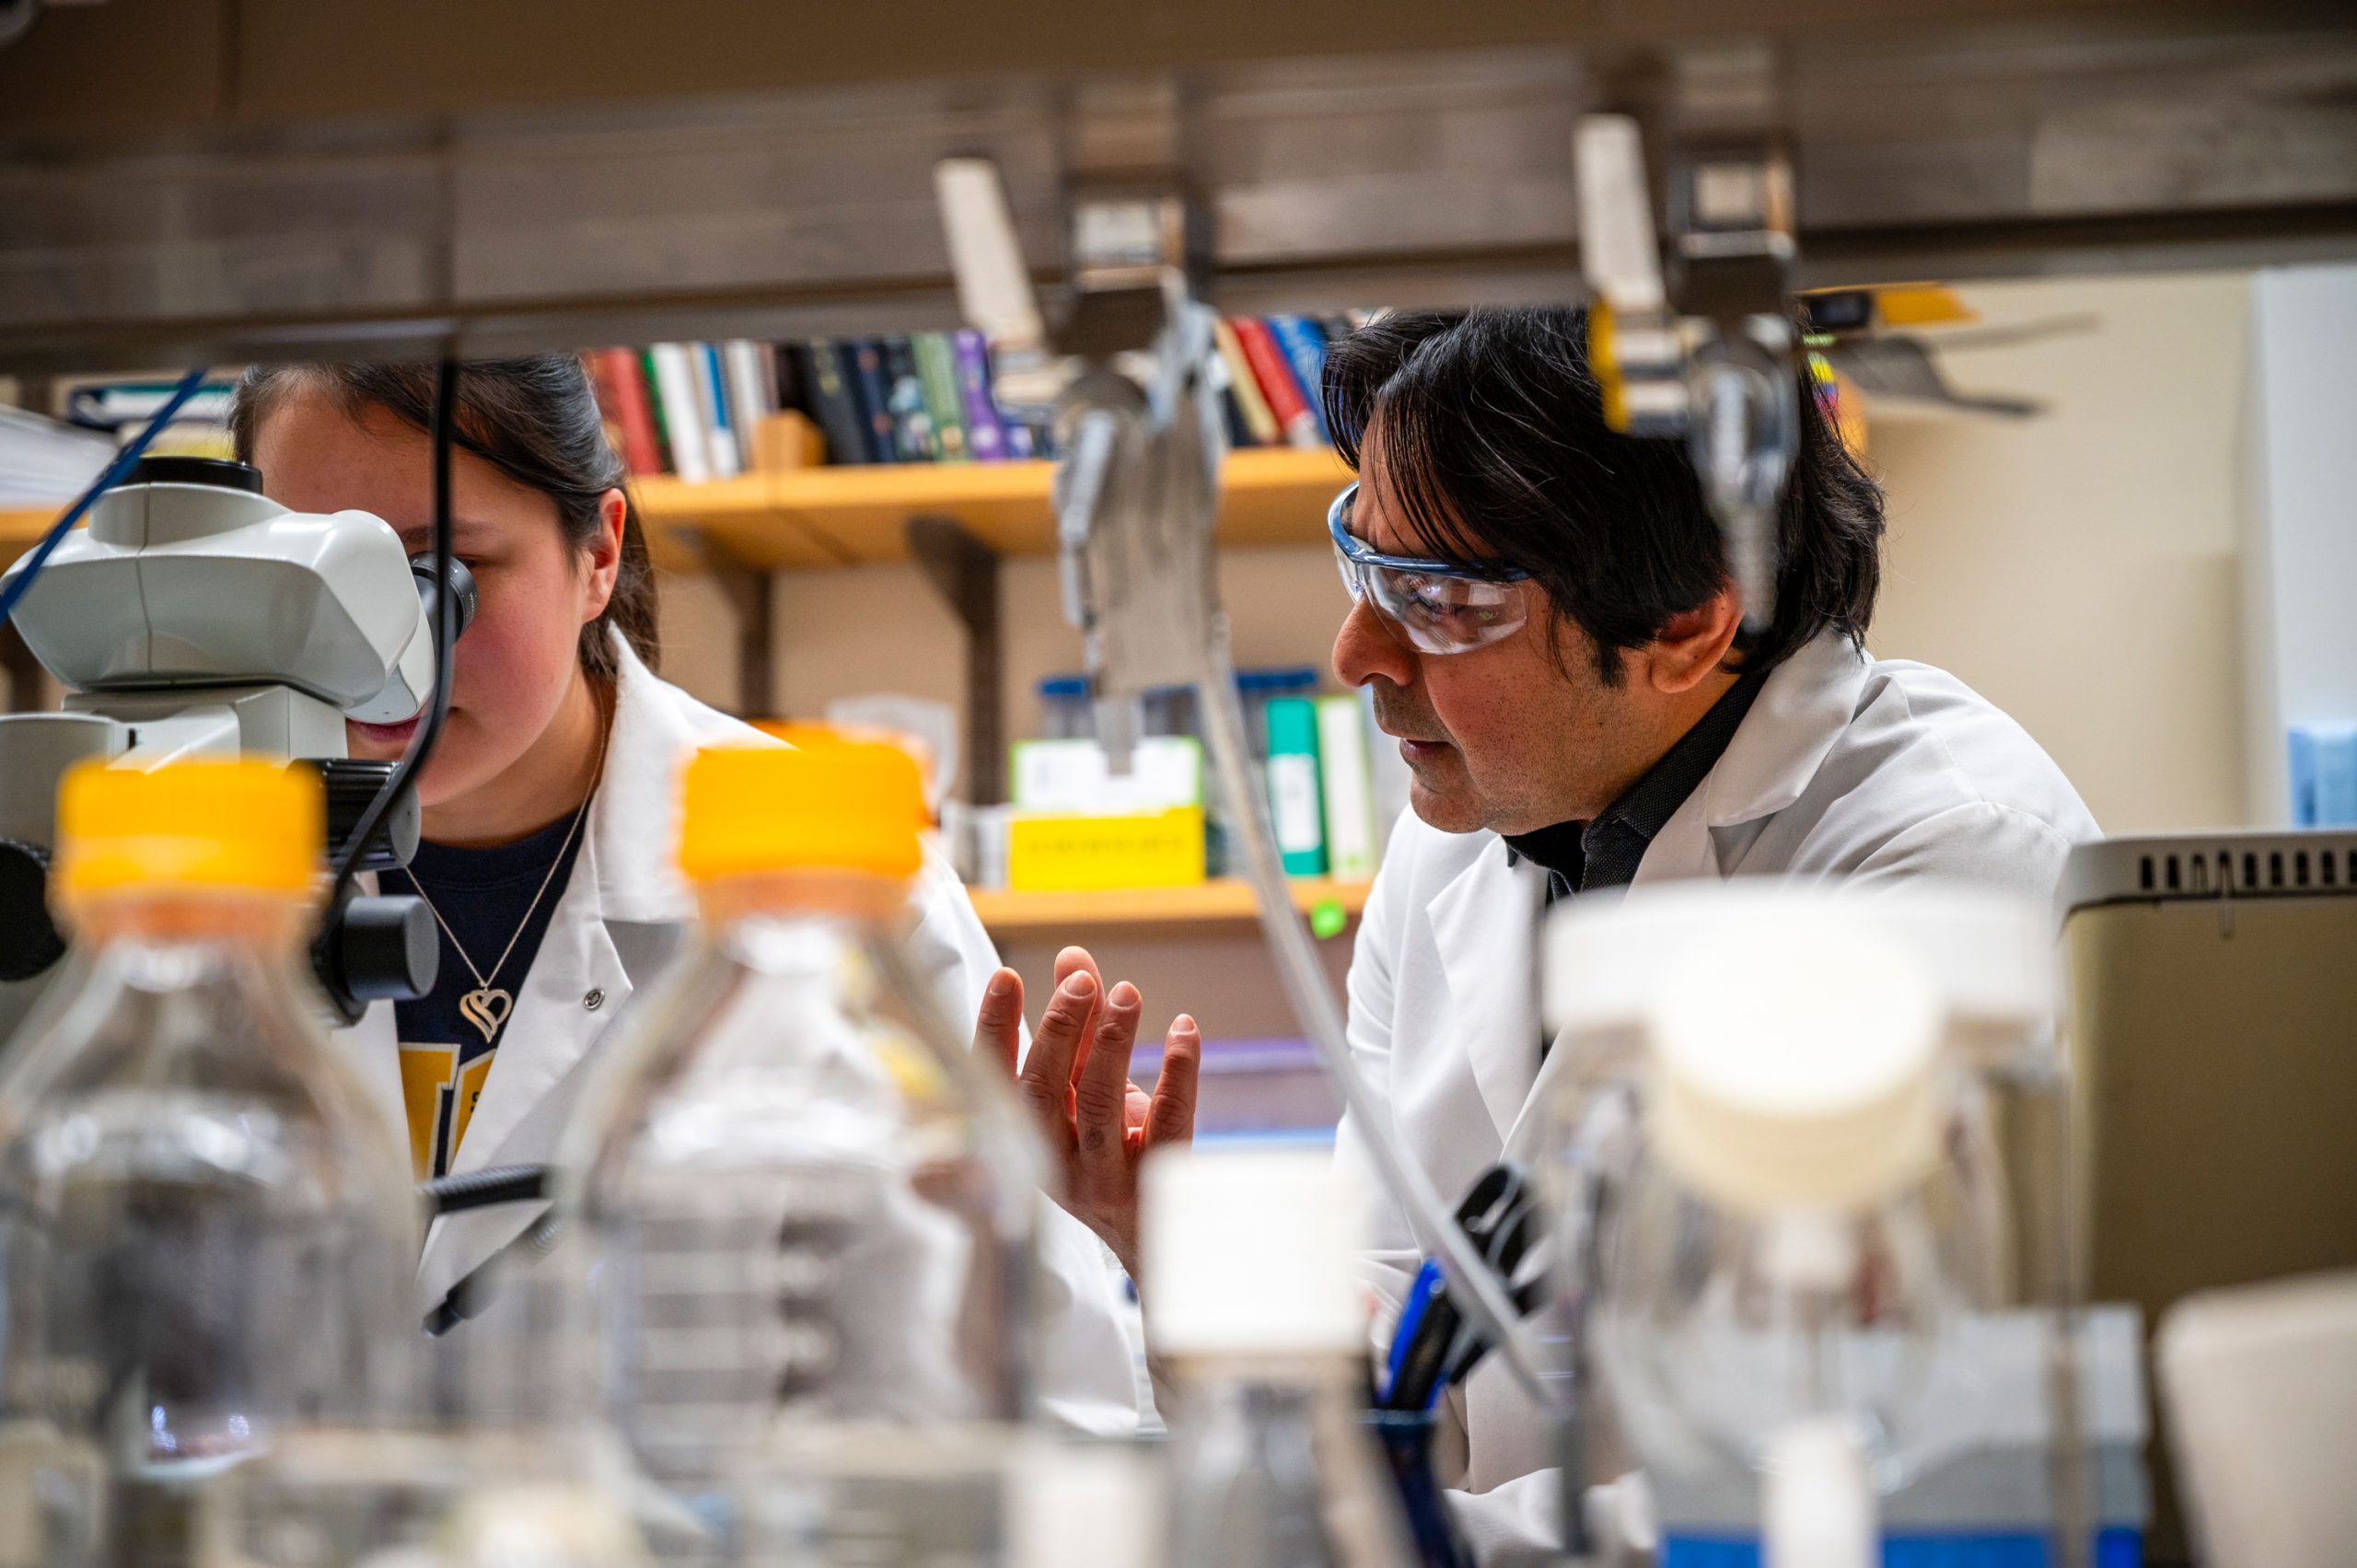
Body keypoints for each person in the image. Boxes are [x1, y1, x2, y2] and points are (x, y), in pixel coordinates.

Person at [971, 306, 2099, 1544]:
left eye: (1442, 599)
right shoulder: (1459, 833)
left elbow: (1819, 1471)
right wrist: (1187, 1255)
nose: (1357, 653)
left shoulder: (1941, 863)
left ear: (1686, 622)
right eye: (1365, 559)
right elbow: (1414, 1367)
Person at [232, 356, 1143, 1434]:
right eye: (312, 582)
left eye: (441, 577)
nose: (372, 653)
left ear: (597, 554)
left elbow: (1050, 1396)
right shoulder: (205, 878)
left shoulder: (835, 885)